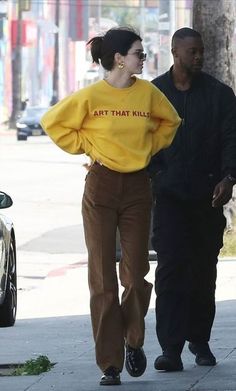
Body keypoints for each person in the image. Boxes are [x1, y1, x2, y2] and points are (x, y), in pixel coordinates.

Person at [40, 27, 181, 385]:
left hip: (137, 187)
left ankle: (134, 339)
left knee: (135, 275)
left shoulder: (147, 93)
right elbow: (53, 123)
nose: (143, 58)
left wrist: (148, 148)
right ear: (120, 58)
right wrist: (86, 144)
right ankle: (110, 363)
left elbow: (171, 122)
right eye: (139, 53)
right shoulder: (91, 96)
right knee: (101, 277)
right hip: (100, 186)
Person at [149, 27, 236, 372]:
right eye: (192, 52)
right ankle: (170, 348)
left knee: (203, 271)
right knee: (170, 271)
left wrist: (229, 177)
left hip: (208, 197)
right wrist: (155, 175)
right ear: (175, 52)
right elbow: (144, 140)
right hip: (168, 199)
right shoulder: (154, 93)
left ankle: (199, 341)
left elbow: (232, 138)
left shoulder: (220, 94)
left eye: (201, 51)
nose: (199, 57)